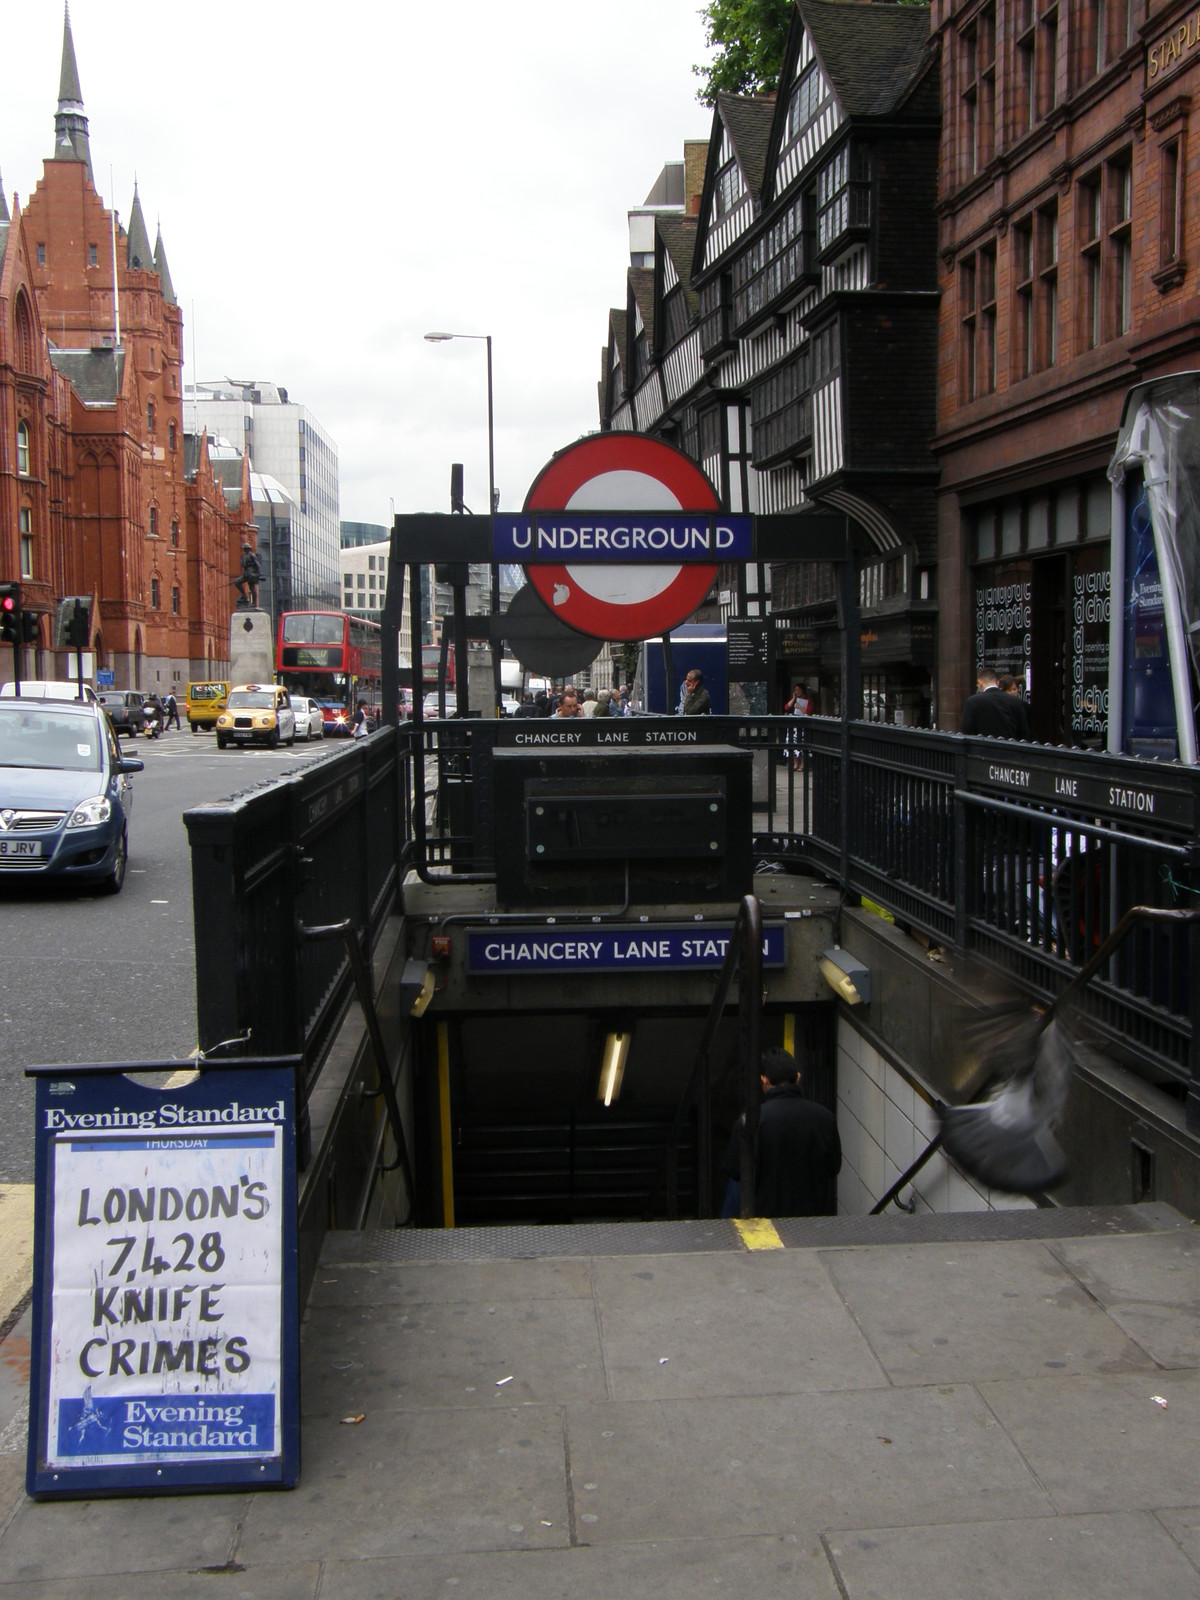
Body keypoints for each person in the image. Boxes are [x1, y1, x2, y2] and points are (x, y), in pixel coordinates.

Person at [722, 1048, 842, 1218]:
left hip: (765, 1218)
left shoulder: (750, 1121)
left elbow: (733, 1170)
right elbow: (833, 1167)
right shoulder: (825, 1117)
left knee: (736, 1185)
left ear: (764, 1080)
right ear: (798, 1078)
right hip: (812, 1217)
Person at [963, 668, 1031, 739]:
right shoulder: (1015, 701)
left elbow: (968, 732)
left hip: (983, 748)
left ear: (979, 683)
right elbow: (1023, 732)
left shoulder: (972, 702)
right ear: (997, 683)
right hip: (1009, 747)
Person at [785, 680, 812, 771]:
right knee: (793, 744)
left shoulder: (808, 700)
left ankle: (802, 764)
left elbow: (808, 712)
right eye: (795, 690)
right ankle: (795, 763)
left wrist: (800, 706)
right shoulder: (794, 699)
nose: (797, 692)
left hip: (803, 725)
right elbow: (786, 707)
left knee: (802, 744)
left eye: (799, 690)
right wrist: (793, 699)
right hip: (794, 726)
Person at [232, 544, 261, 608]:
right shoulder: (244, 556)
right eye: (244, 548)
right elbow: (242, 564)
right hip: (246, 573)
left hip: (251, 572)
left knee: (252, 588)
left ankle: (254, 603)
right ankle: (244, 595)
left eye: (246, 548)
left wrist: (258, 574)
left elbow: (257, 564)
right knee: (237, 582)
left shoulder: (252, 555)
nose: (245, 550)